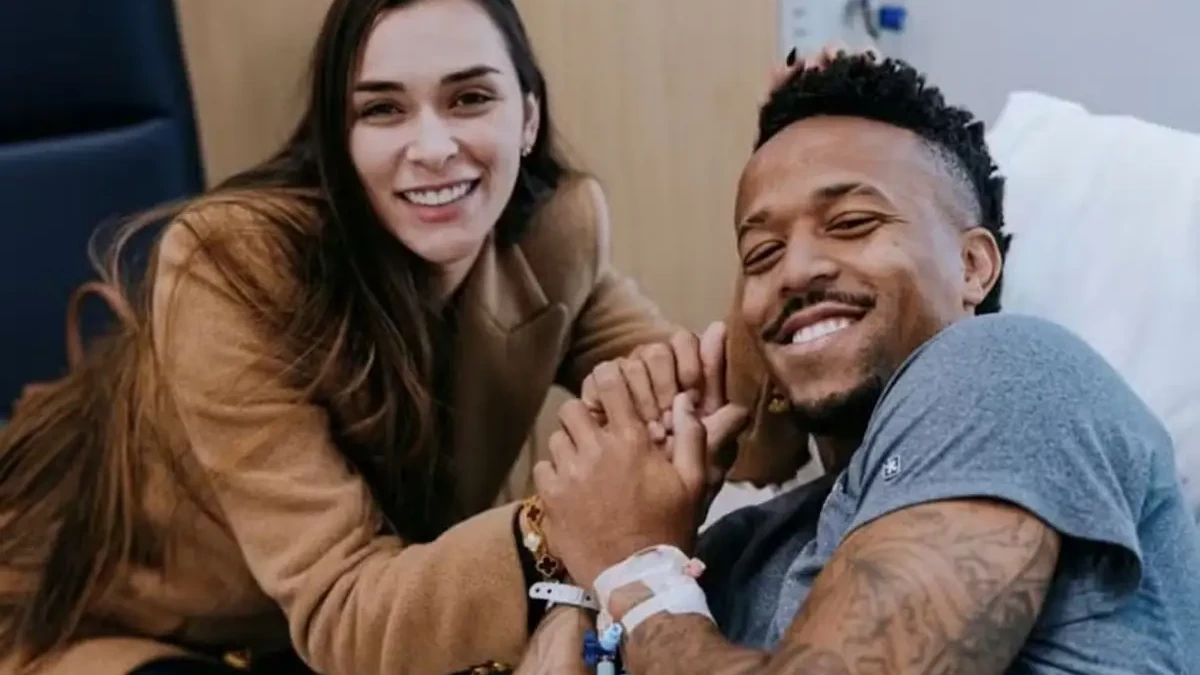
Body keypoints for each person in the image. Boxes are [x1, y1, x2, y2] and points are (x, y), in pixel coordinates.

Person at [0, 1, 736, 674]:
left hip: (331, 622)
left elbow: (708, 398)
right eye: (383, 109)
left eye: (470, 98)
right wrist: (564, 532)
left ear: (528, 118)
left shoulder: (555, 232)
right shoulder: (233, 267)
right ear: (339, 136)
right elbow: (343, 613)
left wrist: (792, 165)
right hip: (114, 622)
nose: (433, 147)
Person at [532, 53, 1200, 674]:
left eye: (851, 222)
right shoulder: (734, 550)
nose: (795, 270)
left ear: (973, 265)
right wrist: (591, 561)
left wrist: (635, 574)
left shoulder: (1008, 370)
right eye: (761, 254)